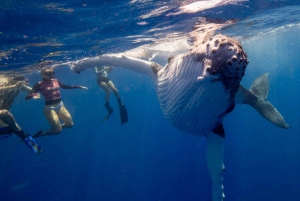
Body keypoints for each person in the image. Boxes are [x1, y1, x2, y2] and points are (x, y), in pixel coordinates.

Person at [26, 68, 88, 138]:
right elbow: (27, 97)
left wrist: (78, 86)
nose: (51, 75)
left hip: (60, 105)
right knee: (58, 131)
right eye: (49, 74)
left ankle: (56, 127)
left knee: (70, 125)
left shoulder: (55, 80)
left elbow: (64, 86)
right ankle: (40, 134)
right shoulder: (39, 84)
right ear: (42, 74)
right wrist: (33, 95)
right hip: (50, 109)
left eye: (53, 73)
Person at [0, 75, 43, 154]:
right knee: (6, 115)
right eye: (18, 79)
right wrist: (13, 86)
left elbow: (24, 88)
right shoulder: (3, 81)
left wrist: (33, 93)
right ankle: (13, 131)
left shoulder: (17, 84)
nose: (20, 81)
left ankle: (22, 135)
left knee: (12, 127)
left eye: (21, 79)